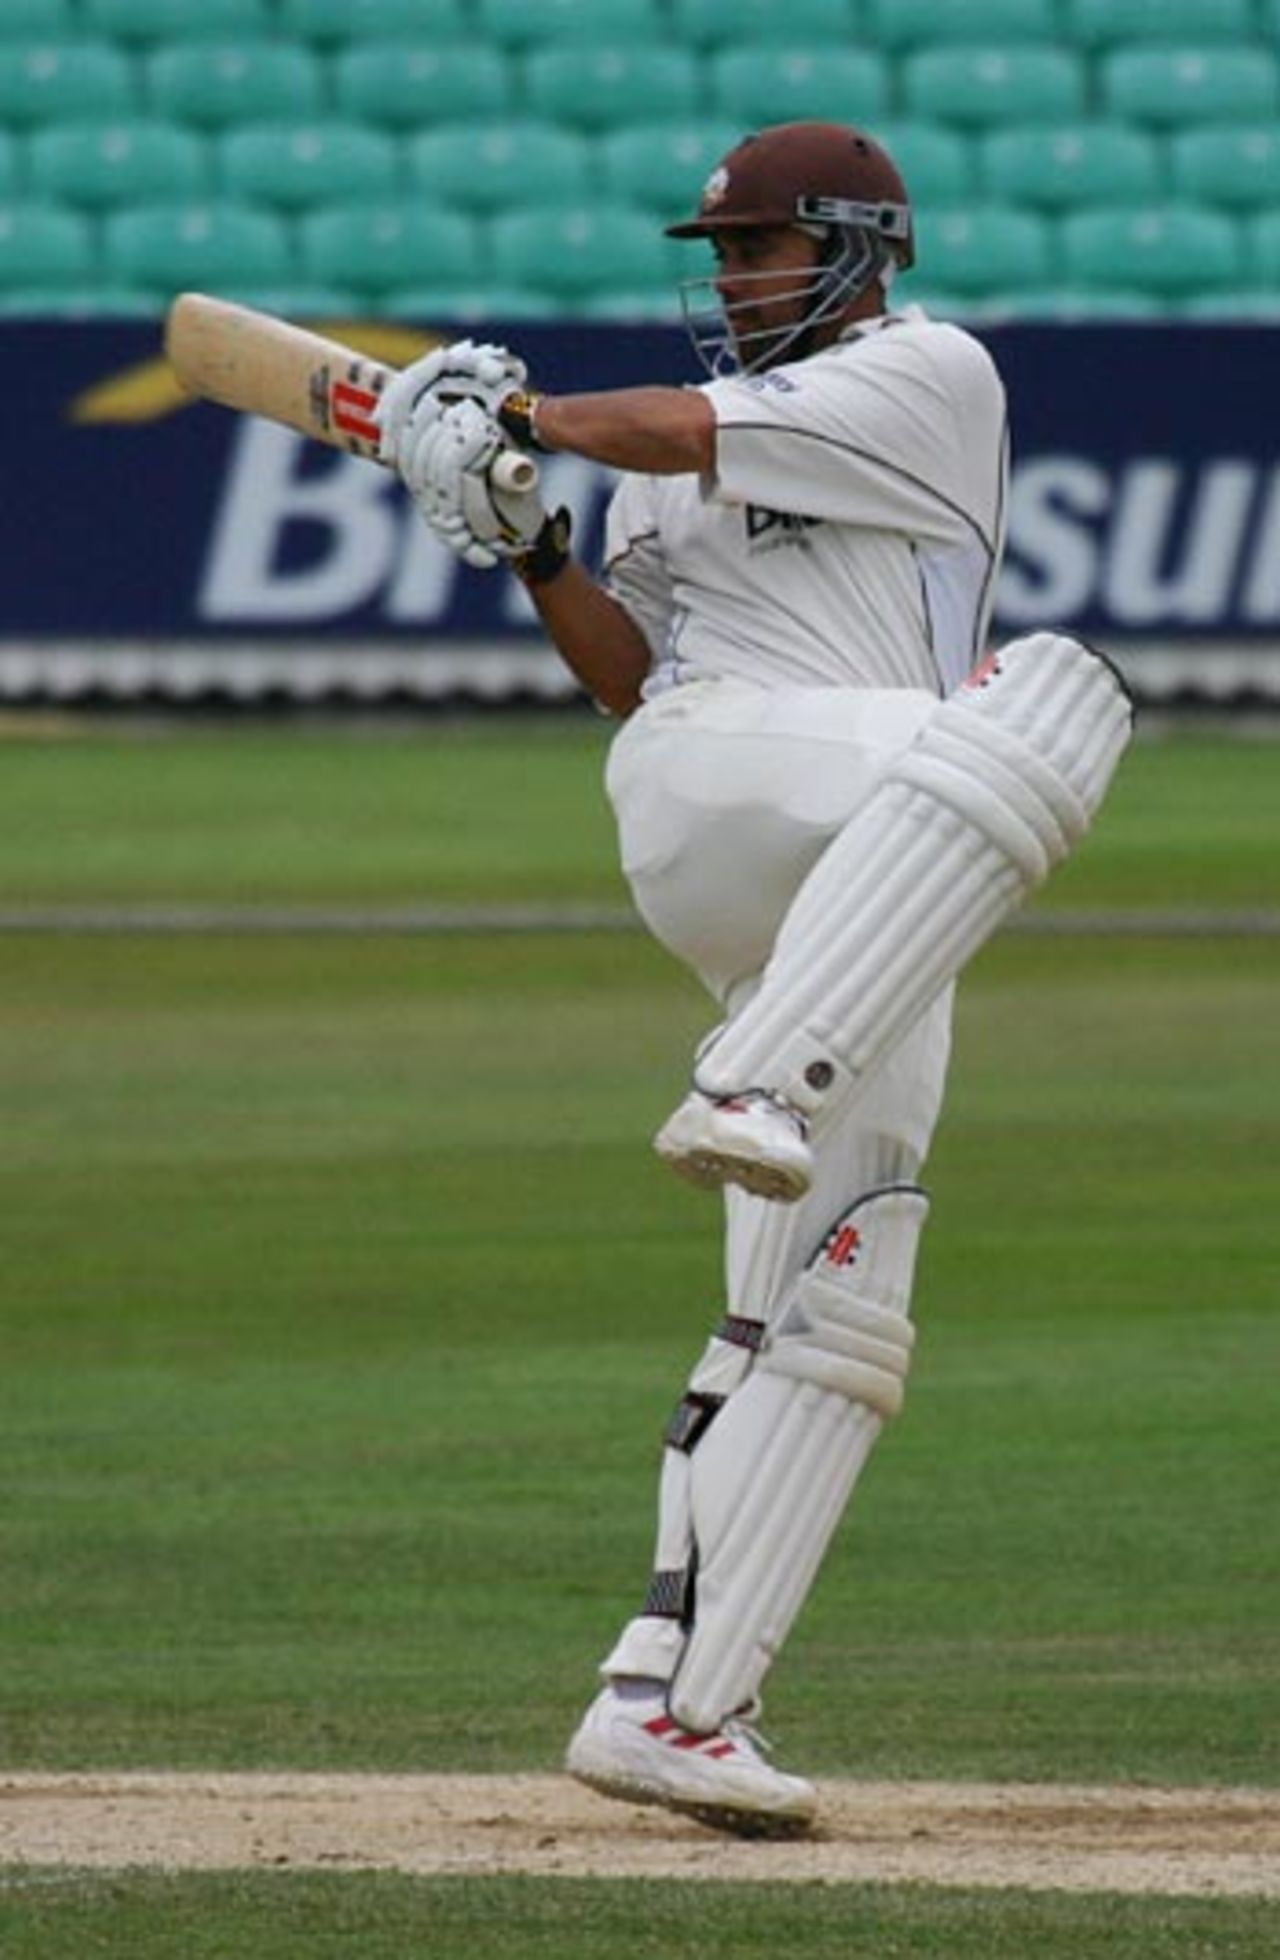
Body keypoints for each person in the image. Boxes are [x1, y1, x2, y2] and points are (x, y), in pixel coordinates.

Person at [375, 122, 1132, 1840]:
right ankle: (749, 1085)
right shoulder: (666, 447)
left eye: (760, 252)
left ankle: (673, 1702)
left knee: (834, 1306)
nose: (731, 282)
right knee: (1058, 692)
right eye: (720, 257)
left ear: (863, 251)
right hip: (735, 775)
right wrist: (537, 528)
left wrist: (526, 499)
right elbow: (635, 680)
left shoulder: (934, 374)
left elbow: (680, 437)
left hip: (859, 872)